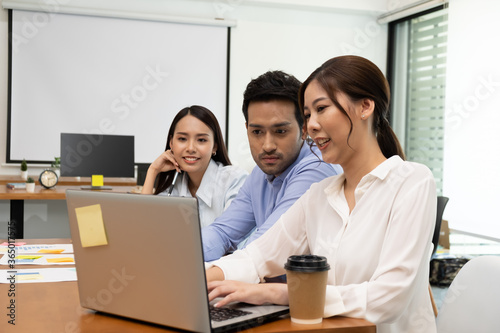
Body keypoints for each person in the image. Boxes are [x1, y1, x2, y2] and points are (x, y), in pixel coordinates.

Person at [205, 56, 437, 333]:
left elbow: (389, 297)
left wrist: (286, 295)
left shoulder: (412, 182)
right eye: (307, 115)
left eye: (321, 109)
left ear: (365, 106)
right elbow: (257, 257)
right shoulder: (319, 196)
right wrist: (193, 281)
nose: (310, 126)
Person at [202, 70, 342, 262]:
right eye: (257, 132)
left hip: (307, 291)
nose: (267, 146)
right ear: (247, 129)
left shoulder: (317, 168)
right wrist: (181, 254)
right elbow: (223, 232)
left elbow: (265, 249)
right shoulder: (262, 171)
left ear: (303, 129)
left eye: (280, 131)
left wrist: (206, 272)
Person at [141, 105, 248, 228]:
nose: (190, 148)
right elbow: (144, 226)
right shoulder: (173, 187)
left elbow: (229, 235)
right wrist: (152, 170)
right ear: (171, 143)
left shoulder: (234, 180)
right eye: (182, 139)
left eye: (201, 140)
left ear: (215, 146)